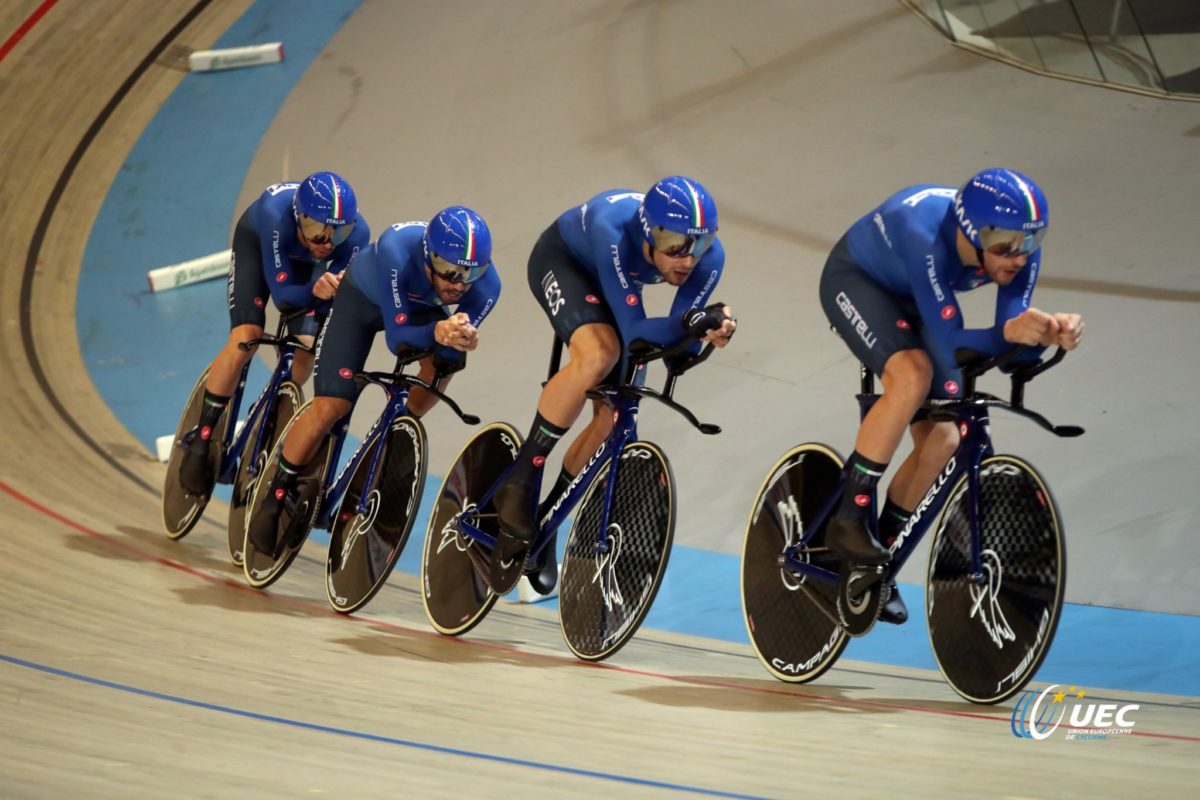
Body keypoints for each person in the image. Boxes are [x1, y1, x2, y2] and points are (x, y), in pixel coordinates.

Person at [818, 167, 1084, 624]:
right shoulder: (921, 229)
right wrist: (1009, 333)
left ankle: (871, 563)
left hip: (923, 302)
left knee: (943, 440)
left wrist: (1047, 334)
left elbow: (1010, 352)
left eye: (1030, 242)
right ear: (970, 231)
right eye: (1004, 245)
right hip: (859, 282)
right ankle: (848, 518)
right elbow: (950, 343)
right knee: (913, 373)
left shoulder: (1016, 250)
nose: (1018, 257)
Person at [492, 176, 737, 594]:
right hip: (565, 262)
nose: (688, 258)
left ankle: (548, 523)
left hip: (618, 287)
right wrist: (691, 324)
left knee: (616, 414)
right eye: (675, 244)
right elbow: (637, 330)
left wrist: (709, 335)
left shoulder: (708, 258)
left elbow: (677, 349)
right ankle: (520, 478)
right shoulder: (612, 229)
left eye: (700, 243)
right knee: (599, 354)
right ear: (649, 234)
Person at [245, 206, 501, 556]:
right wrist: (440, 329)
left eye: (471, 273)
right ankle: (274, 494)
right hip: (362, 302)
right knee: (332, 404)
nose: (458, 284)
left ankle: (398, 429)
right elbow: (399, 338)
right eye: (448, 271)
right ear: (429, 257)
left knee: (448, 360)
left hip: (417, 310)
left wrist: (460, 337)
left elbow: (451, 337)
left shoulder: (487, 286)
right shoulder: (398, 250)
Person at [179, 172, 369, 497]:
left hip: (307, 273)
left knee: (305, 348)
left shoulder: (358, 238)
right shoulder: (274, 214)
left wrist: (322, 290)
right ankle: (204, 433)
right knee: (246, 337)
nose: (326, 243)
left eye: (338, 233)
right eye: (316, 231)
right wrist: (317, 288)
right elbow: (283, 295)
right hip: (260, 248)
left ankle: (274, 411)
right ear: (298, 217)